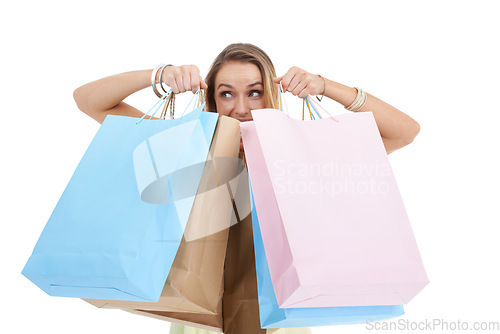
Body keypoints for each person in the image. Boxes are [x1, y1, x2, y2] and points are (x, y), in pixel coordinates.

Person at [73, 43, 420, 334]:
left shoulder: (304, 158)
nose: (241, 108)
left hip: (283, 323)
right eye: (227, 94)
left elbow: (403, 131)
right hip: (200, 323)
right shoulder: (184, 149)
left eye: (254, 93)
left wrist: (325, 86)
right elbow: (90, 100)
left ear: (270, 94)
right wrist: (158, 76)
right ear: (211, 99)